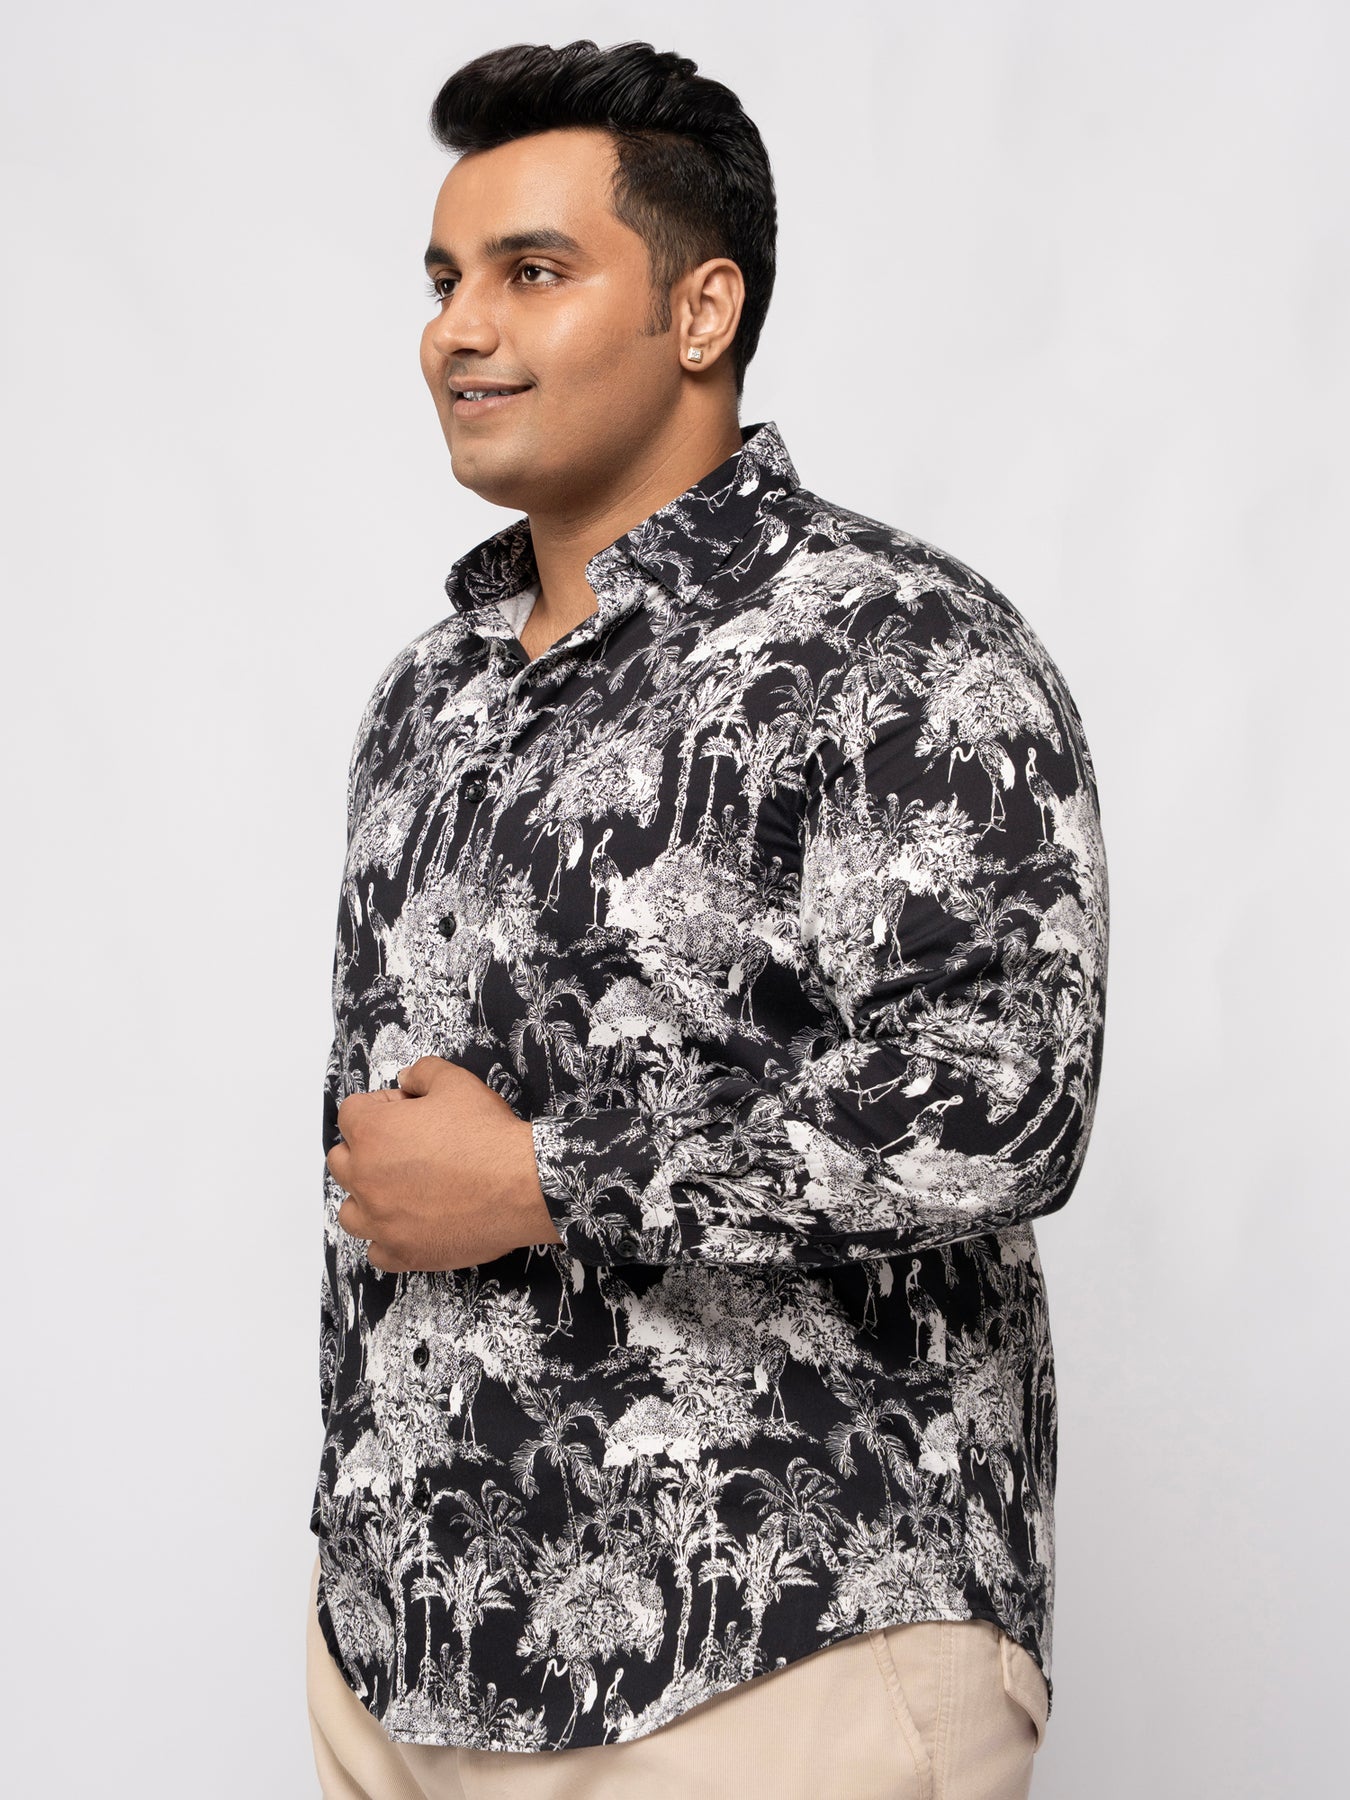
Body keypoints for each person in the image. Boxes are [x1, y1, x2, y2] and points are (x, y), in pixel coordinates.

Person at [304, 37, 1108, 1800]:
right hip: (410, 1651)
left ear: (700, 310)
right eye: (443, 279)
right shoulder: (430, 692)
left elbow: (1001, 1099)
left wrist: (546, 1177)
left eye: (531, 271)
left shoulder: (892, 645)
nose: (457, 330)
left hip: (775, 1644)